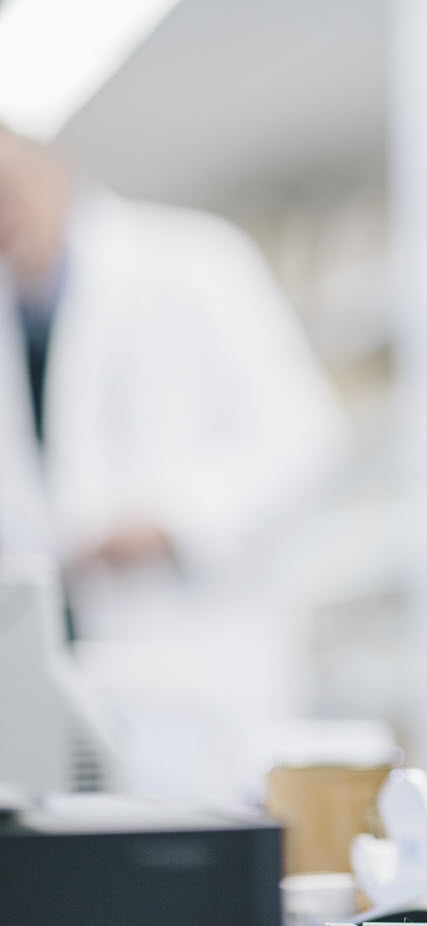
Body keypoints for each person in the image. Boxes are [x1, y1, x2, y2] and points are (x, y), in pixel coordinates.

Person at [0, 127, 347, 795]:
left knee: (198, 828)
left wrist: (172, 521)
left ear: (52, 168)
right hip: (62, 667)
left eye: (8, 189)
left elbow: (305, 436)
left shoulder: (193, 264)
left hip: (193, 653)